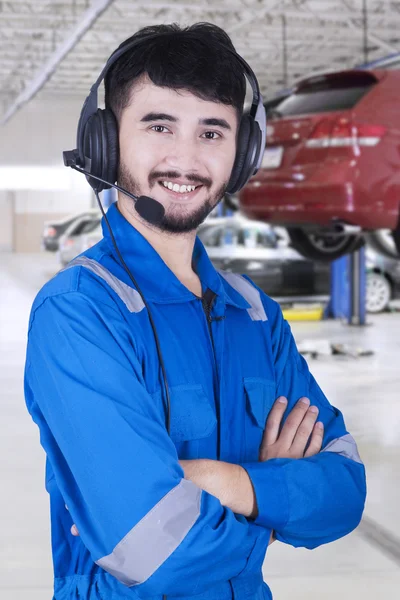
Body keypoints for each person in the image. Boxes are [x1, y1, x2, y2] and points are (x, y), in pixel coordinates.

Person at [24, 23, 366, 600]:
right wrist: (274, 500)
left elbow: (345, 492)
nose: (185, 159)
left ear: (243, 153)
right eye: (159, 126)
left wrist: (218, 481)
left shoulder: (255, 315)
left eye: (212, 131)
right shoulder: (79, 313)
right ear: (106, 141)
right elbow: (160, 553)